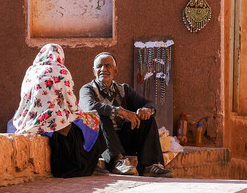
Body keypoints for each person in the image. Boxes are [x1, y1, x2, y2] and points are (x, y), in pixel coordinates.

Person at [11, 44, 105, 178]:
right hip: (54, 120)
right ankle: (92, 163)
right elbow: (71, 103)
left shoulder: (31, 71)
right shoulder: (61, 70)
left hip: (28, 121)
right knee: (93, 119)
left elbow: (24, 99)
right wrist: (79, 114)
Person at [79, 52, 172, 177]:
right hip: (101, 144)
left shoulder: (124, 89)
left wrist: (147, 110)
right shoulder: (88, 89)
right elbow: (88, 106)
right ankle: (118, 161)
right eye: (99, 66)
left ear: (116, 71)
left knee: (147, 119)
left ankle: (150, 165)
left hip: (123, 141)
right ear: (93, 70)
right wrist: (119, 111)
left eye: (108, 66)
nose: (103, 69)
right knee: (100, 115)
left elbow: (148, 103)